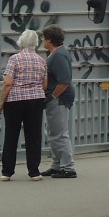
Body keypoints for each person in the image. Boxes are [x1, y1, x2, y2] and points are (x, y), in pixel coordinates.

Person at [0, 29, 48, 181]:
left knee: (11, 135)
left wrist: (0, 105)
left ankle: (7, 172)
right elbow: (45, 85)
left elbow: (8, 83)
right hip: (36, 100)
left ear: (21, 43)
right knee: (34, 136)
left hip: (15, 100)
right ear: (35, 44)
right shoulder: (41, 60)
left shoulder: (14, 59)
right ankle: (34, 172)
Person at [40, 25, 77, 178]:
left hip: (59, 98)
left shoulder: (59, 55)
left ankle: (68, 167)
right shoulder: (56, 53)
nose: (42, 41)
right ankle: (57, 164)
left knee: (60, 133)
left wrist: (52, 96)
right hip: (57, 97)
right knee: (53, 132)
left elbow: (64, 81)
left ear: (49, 39)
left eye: (43, 38)